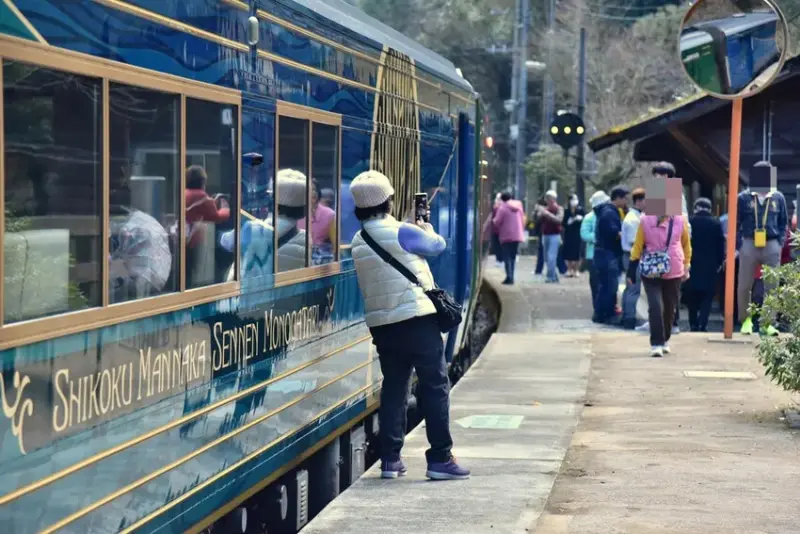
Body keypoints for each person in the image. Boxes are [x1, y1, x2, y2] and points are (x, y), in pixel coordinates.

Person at [348, 170, 469, 481]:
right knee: (435, 385)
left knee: (395, 387)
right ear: (389, 200)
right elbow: (438, 245)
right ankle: (440, 458)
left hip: (383, 326)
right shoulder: (403, 231)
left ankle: (390, 460)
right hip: (417, 320)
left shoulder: (358, 241)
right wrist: (425, 226)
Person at [627, 209, 692, 357]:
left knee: (670, 308)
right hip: (651, 271)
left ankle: (665, 339)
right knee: (655, 306)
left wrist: (687, 265)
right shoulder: (645, 220)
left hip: (674, 269)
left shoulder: (680, 220)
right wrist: (631, 269)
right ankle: (656, 342)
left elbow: (686, 245)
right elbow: (638, 245)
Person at [735, 173, 787, 336]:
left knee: (772, 285)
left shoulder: (778, 197)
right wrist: (739, 244)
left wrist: (780, 243)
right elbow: (736, 221)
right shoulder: (743, 197)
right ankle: (746, 320)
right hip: (749, 241)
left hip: (771, 242)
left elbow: (783, 221)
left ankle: (768, 322)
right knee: (744, 284)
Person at [685, 198, 725, 332]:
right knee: (707, 296)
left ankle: (693, 323)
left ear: (696, 208)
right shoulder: (715, 223)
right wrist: (720, 262)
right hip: (710, 264)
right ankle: (703, 323)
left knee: (691, 296)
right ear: (709, 209)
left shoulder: (689, 222)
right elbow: (720, 245)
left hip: (691, 262)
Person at [593, 186, 629, 324]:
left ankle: (602, 313)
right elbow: (615, 234)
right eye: (625, 198)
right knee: (609, 286)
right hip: (607, 254)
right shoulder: (609, 213)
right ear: (618, 198)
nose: (626, 201)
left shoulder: (608, 211)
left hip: (604, 254)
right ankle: (605, 314)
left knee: (606, 285)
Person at [620, 188, 645, 329]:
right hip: (632, 256)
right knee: (634, 288)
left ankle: (626, 315)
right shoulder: (633, 220)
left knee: (630, 288)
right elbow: (634, 241)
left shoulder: (635, 217)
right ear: (639, 202)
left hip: (631, 255)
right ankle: (629, 317)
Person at [582, 191, 608, 316]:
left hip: (605, 254)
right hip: (592, 255)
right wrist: (598, 237)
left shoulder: (606, 216)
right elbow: (584, 234)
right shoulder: (589, 217)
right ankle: (597, 310)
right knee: (596, 284)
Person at [493, 192, 526, 285]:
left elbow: (497, 221)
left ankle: (509, 277)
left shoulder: (502, 208)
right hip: (517, 235)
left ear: (502, 199)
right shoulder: (519, 205)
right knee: (513, 256)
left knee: (507, 256)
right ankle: (512, 276)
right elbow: (523, 218)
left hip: (506, 235)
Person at [537, 190, 564, 283]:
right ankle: (554, 275)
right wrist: (539, 212)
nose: (548, 200)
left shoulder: (559, 209)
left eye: (550, 198)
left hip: (555, 235)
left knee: (551, 256)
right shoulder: (544, 209)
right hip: (545, 235)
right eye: (547, 198)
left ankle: (550, 277)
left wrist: (546, 214)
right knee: (546, 258)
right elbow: (537, 220)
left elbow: (559, 220)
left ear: (554, 199)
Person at [562, 194, 584, 277]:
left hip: (578, 233)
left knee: (577, 252)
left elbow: (584, 220)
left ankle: (576, 270)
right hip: (568, 234)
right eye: (572, 199)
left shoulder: (580, 210)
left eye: (576, 199)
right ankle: (569, 269)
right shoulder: (566, 211)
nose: (574, 201)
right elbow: (563, 223)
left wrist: (579, 219)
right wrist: (569, 221)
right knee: (568, 252)